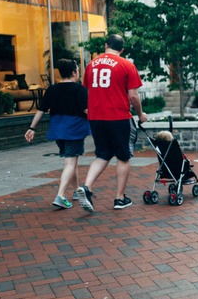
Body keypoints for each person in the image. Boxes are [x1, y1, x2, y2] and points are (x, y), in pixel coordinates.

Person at [74, 34, 147, 212]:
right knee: (123, 156)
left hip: (96, 117)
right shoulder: (126, 65)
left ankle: (87, 187)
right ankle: (119, 198)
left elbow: (88, 91)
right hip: (119, 116)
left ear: (106, 45)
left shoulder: (91, 65)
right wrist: (140, 114)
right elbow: (133, 95)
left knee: (102, 154)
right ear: (122, 49)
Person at [24, 58, 90, 209]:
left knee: (72, 161)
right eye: (78, 70)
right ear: (74, 72)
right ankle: (60, 196)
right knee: (70, 163)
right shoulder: (80, 90)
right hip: (74, 129)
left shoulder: (52, 89)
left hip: (57, 130)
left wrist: (32, 128)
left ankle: (76, 191)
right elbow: (88, 111)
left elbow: (41, 110)